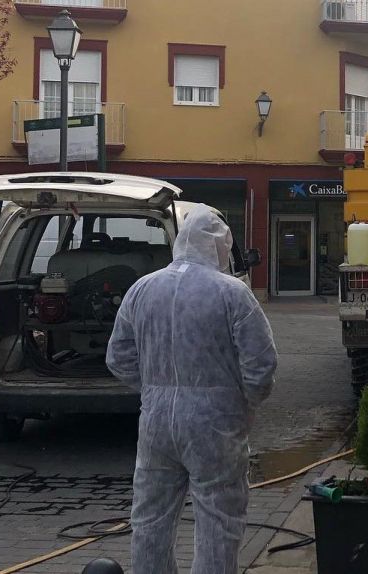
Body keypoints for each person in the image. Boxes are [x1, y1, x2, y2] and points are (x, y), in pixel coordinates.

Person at [106, 208, 277, 574]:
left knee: (150, 518)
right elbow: (261, 367)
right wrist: (244, 404)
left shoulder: (142, 289)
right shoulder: (233, 294)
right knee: (218, 520)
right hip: (215, 424)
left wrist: (155, 389)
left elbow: (118, 358)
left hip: (156, 423)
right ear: (219, 246)